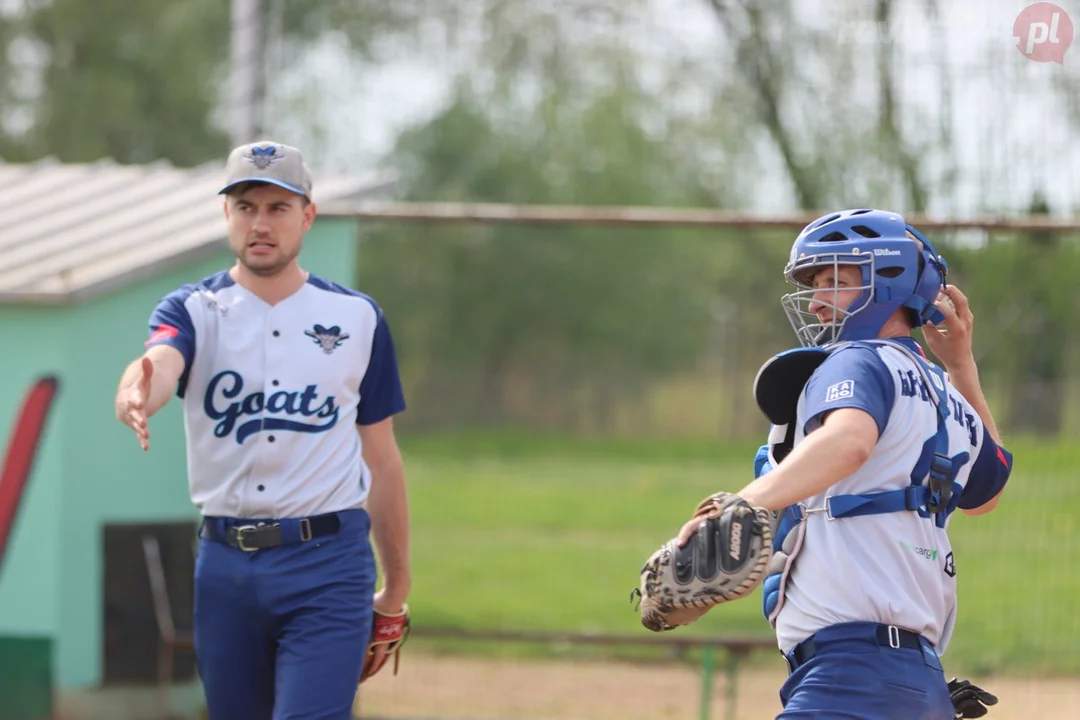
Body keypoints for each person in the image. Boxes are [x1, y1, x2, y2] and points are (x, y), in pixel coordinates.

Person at [113, 141, 411, 719]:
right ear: (227, 215)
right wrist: (136, 390)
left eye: (279, 207)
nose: (261, 223)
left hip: (328, 559)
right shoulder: (194, 309)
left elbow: (383, 461)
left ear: (308, 215)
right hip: (226, 565)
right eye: (247, 206)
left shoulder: (357, 318)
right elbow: (159, 361)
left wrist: (395, 591)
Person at [677, 209, 1012, 719]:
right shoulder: (944, 392)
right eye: (816, 282)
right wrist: (961, 367)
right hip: (915, 681)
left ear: (889, 281)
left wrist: (740, 505)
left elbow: (849, 441)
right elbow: (986, 494)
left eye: (836, 279)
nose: (815, 300)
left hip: (849, 680)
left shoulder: (859, 358)